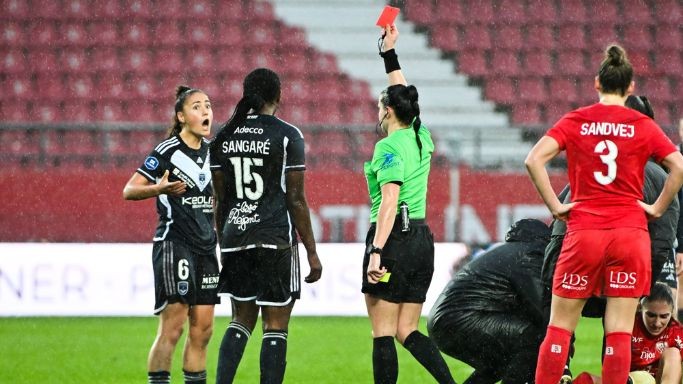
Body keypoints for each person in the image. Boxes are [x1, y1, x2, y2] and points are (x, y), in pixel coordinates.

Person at [525, 44, 683, 384]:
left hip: (584, 232)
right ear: (630, 88)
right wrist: (657, 207)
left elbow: (533, 160)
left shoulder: (576, 120)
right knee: (618, 333)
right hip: (629, 234)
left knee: (560, 327)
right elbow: (679, 167)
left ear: (596, 83)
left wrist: (555, 206)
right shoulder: (642, 125)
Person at [209, 68, 322, 384]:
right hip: (274, 239)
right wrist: (312, 252)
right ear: (279, 96)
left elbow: (220, 200)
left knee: (240, 321)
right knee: (275, 325)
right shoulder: (288, 135)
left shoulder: (222, 138)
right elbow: (296, 199)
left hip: (235, 237)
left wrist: (224, 244)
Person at [363, 24, 455, 384]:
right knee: (407, 328)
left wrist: (376, 250)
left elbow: (389, 201)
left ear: (387, 111)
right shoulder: (421, 136)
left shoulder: (387, 147)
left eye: (379, 105)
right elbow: (405, 95)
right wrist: (389, 55)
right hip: (420, 239)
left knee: (383, 332)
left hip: (394, 240)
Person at [123, 86, 219, 384]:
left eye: (208, 106)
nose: (205, 112)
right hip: (174, 244)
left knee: (203, 330)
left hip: (207, 248)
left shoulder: (214, 152)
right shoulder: (167, 151)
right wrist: (159, 189)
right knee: (173, 328)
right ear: (181, 116)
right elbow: (129, 190)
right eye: (197, 107)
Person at [428, 219, 551, 384]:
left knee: (500, 363)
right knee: (534, 338)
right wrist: (564, 337)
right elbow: (541, 308)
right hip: (462, 319)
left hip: (446, 322)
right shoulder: (528, 255)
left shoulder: (508, 252)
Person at [571, 283, 683, 384]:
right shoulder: (626, 324)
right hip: (626, 380)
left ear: (672, 313)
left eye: (664, 316)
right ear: (640, 308)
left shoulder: (677, 332)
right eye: (651, 315)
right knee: (585, 380)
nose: (657, 323)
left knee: (672, 354)